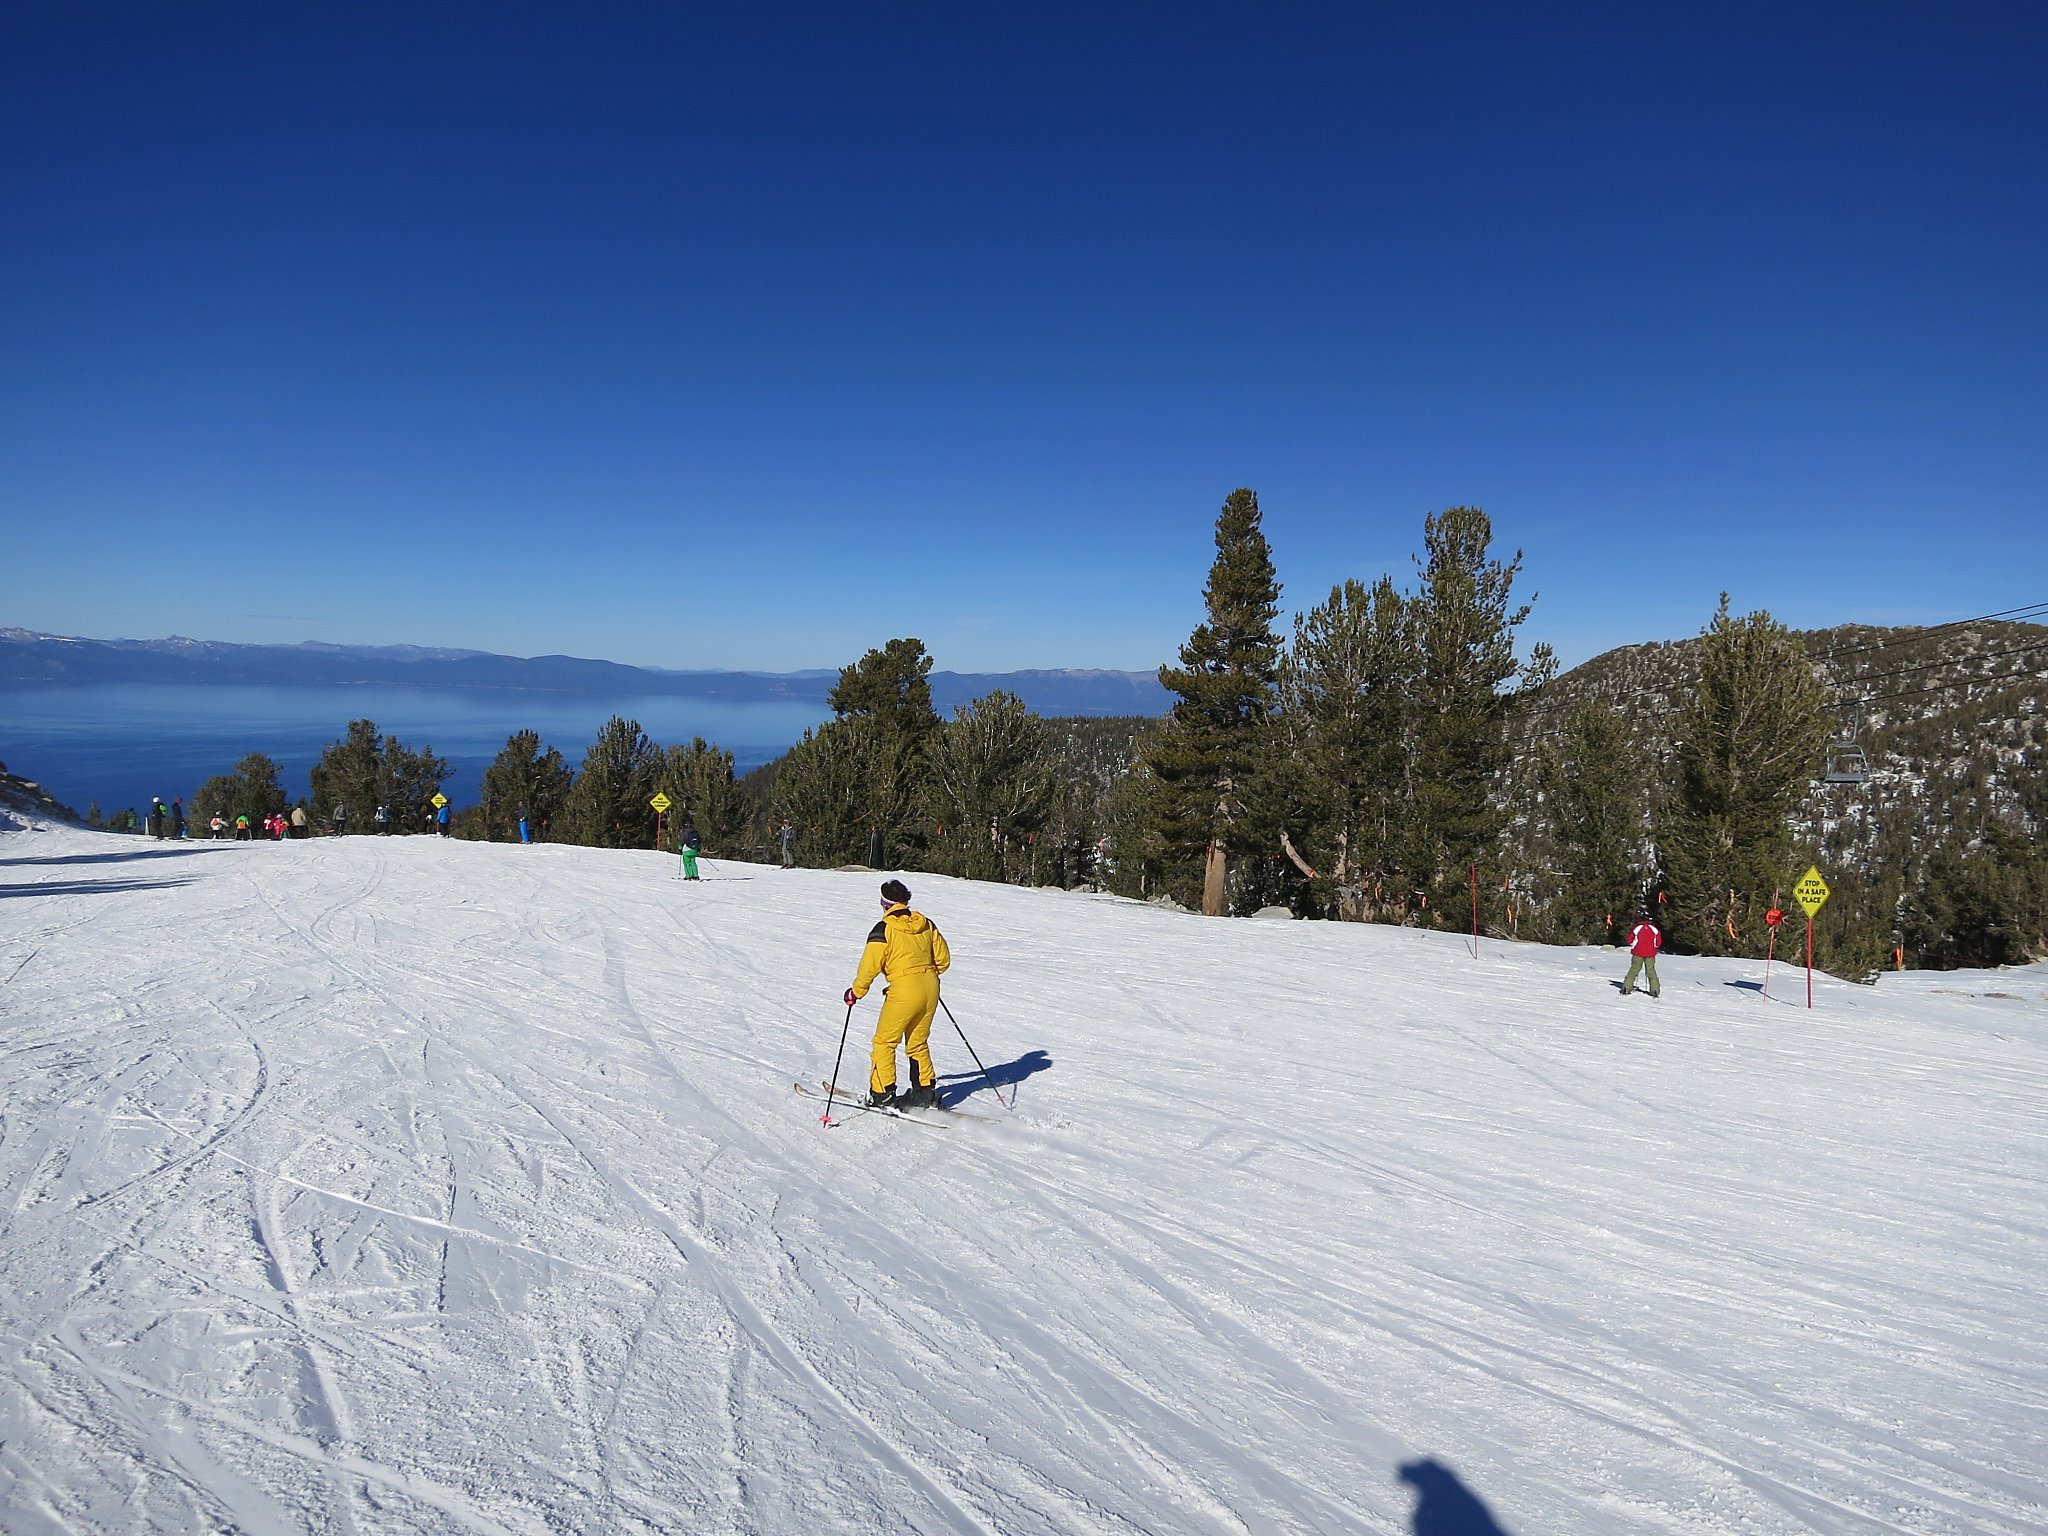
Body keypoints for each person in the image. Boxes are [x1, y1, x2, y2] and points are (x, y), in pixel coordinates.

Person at [844, 878, 950, 1108]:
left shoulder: (883, 929)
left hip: (903, 990)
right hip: (930, 987)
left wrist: (856, 992)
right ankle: (924, 1093)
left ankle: (882, 1094)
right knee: (917, 1042)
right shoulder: (926, 924)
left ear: (885, 904)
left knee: (884, 1042)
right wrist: (925, 974)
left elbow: (869, 967)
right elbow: (943, 960)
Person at [1622, 912, 1663, 998]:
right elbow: (1658, 943)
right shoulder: (1654, 929)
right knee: (1651, 970)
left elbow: (1629, 940)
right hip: (1650, 953)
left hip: (1637, 952)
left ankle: (1627, 987)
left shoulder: (1637, 928)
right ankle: (1655, 990)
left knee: (1634, 970)